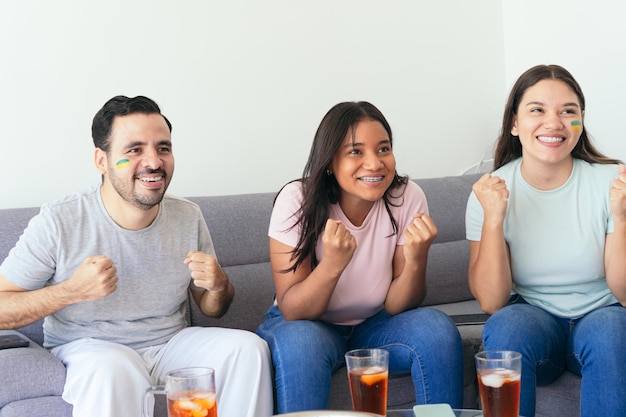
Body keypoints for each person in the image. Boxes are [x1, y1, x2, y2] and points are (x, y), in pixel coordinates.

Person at [0, 95, 273, 417]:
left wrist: (219, 285)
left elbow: (212, 309)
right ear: (102, 160)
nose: (154, 161)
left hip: (170, 344)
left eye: (163, 148)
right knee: (115, 368)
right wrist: (71, 292)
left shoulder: (188, 215)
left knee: (247, 349)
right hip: (91, 348)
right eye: (134, 150)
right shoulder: (60, 220)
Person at [256, 101, 464, 413]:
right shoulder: (296, 201)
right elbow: (294, 308)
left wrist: (417, 258)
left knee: (436, 329)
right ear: (329, 161)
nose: (375, 163)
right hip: (306, 325)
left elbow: (398, 305)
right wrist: (332, 265)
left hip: (375, 324)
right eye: (356, 152)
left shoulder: (406, 196)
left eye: (383, 149)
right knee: (300, 343)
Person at [466, 64, 626, 417]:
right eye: (537, 110)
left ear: (580, 122)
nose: (554, 123)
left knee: (612, 329)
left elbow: (624, 293)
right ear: (514, 123)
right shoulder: (490, 190)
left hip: (604, 313)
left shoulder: (612, 182)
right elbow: (492, 301)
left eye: (568, 111)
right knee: (506, 325)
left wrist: (621, 218)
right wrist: (494, 219)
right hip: (535, 318)